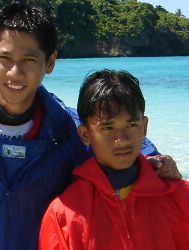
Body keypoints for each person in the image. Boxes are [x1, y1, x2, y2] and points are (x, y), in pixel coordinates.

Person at [0, 2, 181, 250]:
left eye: (29, 59)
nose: (15, 72)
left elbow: (122, 140)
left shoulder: (66, 130)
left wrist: (159, 161)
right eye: (5, 58)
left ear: (51, 61)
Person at [38, 69, 189, 250]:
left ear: (144, 126)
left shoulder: (181, 197)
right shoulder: (65, 214)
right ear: (85, 135)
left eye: (131, 124)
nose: (122, 139)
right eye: (108, 128)